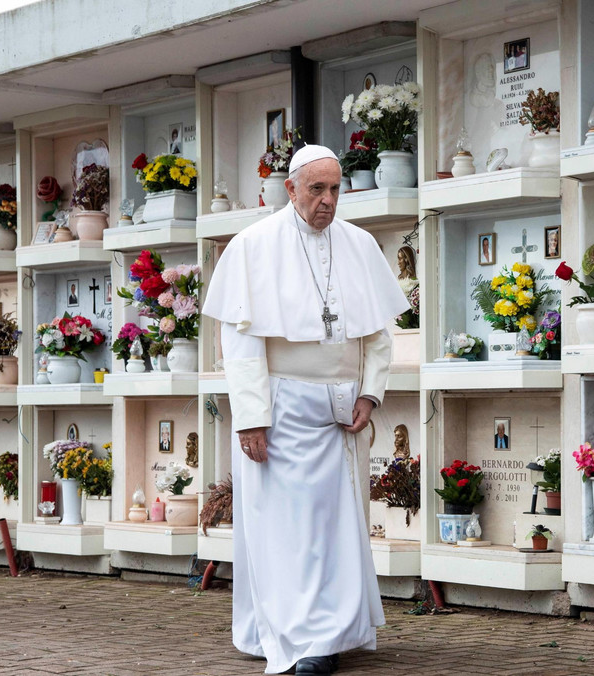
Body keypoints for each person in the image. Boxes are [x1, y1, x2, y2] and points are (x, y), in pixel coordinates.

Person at [202, 144, 408, 675]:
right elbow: (241, 341)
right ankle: (298, 639)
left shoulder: (359, 244)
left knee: (339, 528)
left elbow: (379, 334)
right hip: (283, 405)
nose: (327, 200)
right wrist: (251, 416)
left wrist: (370, 393)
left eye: (335, 188)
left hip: (343, 407)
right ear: (289, 189)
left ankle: (331, 633)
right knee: (287, 529)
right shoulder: (252, 246)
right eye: (316, 189)